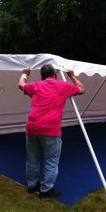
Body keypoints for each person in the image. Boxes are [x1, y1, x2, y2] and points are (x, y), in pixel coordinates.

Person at [18, 64, 85, 198]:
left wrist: (25, 73)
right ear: (55, 75)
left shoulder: (36, 86)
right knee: (51, 161)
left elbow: (21, 85)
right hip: (50, 130)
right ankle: (46, 190)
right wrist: (72, 76)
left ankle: (32, 186)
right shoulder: (63, 86)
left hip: (32, 127)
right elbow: (82, 89)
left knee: (32, 159)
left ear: (42, 76)